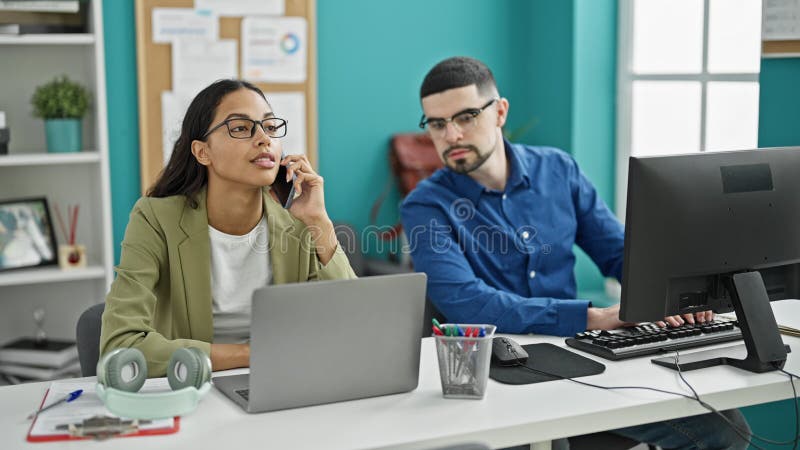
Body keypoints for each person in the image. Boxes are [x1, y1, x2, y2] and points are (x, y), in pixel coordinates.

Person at [401, 57, 750, 450]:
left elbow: (619, 253)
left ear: (499, 112)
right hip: (496, 373)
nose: (451, 134)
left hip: (580, 357)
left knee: (724, 427)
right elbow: (466, 302)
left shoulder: (558, 170)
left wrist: (674, 295)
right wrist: (592, 316)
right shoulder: (425, 207)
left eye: (466, 116)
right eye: (436, 123)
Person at [100, 79, 356, 377]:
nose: (264, 139)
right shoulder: (155, 218)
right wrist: (251, 354)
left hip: (284, 383)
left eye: (270, 127)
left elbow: (352, 326)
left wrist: (320, 222)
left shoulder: (297, 222)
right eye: (240, 128)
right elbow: (120, 346)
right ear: (202, 152)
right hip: (193, 388)